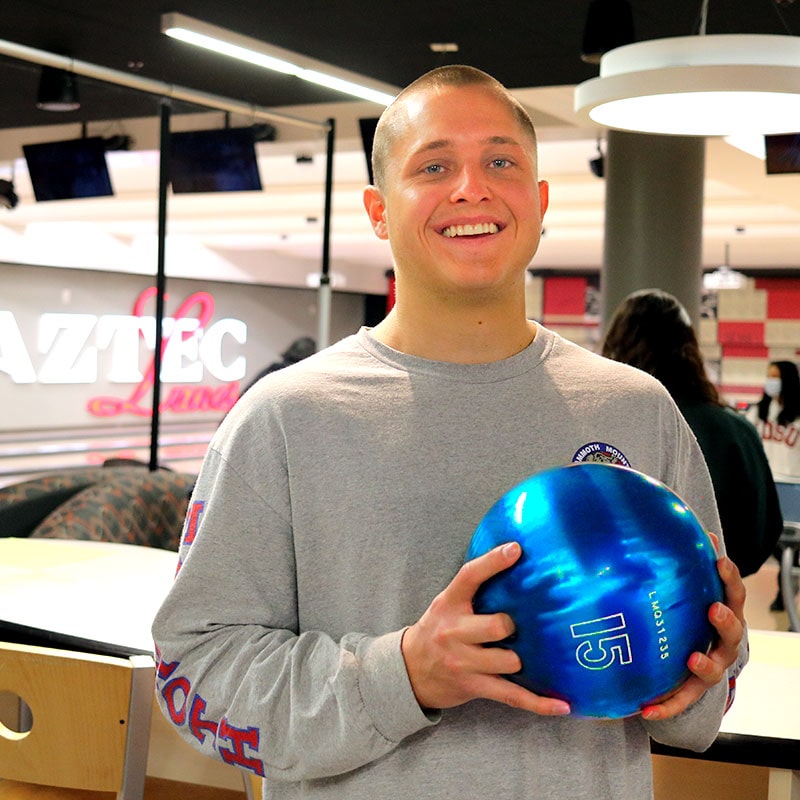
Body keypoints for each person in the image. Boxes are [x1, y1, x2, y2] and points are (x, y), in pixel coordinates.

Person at [152, 65, 747, 800]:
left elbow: (699, 705)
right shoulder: (284, 418)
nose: (472, 187)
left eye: (502, 161)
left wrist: (707, 669)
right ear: (377, 210)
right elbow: (194, 675)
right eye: (434, 166)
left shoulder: (635, 408)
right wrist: (402, 674)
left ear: (539, 200)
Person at [601, 289, 783, 578]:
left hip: (621, 606)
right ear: (690, 348)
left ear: (616, 347)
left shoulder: (605, 425)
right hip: (717, 607)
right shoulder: (736, 430)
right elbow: (763, 530)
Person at [748, 359, 800, 609]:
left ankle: (785, 593)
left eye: (775, 377)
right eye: (768, 376)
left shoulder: (797, 417)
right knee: (776, 546)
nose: (771, 382)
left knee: (791, 548)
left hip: (793, 490)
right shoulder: (757, 412)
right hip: (766, 487)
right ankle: (785, 590)